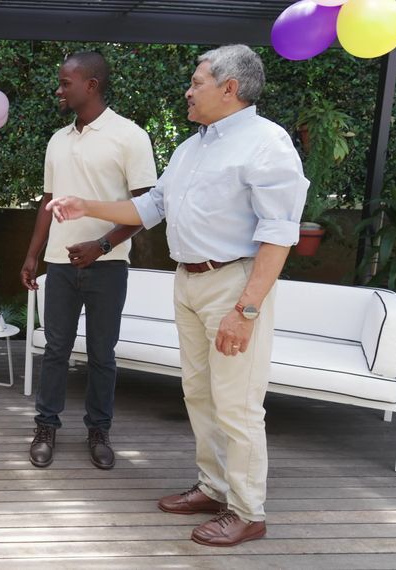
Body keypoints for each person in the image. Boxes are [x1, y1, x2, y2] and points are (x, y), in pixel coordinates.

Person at [46, 45, 309, 547]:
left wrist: (246, 309)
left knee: (237, 405)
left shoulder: (267, 143)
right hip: (188, 281)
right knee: (200, 395)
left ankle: (248, 510)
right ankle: (213, 487)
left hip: (234, 284)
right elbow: (152, 206)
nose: (188, 91)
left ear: (229, 89)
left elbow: (279, 233)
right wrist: (85, 205)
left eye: (197, 81)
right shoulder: (194, 146)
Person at [20, 51, 158, 470]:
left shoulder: (129, 136)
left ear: (91, 85)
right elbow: (47, 201)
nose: (59, 89)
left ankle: (99, 430)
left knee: (102, 354)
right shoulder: (57, 140)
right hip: (60, 266)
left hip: (108, 267)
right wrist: (33, 255)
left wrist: (101, 245)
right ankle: (46, 427)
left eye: (66, 83)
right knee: (56, 350)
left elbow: (146, 208)